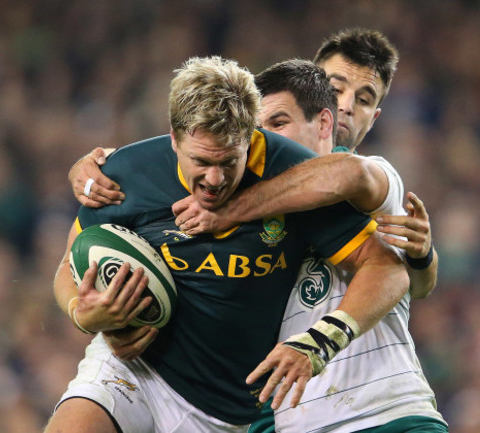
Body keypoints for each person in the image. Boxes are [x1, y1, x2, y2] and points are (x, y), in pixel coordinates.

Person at [46, 55, 409, 433]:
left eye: (229, 162)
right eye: (201, 161)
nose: (215, 179)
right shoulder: (128, 173)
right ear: (174, 137)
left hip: (225, 413)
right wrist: (81, 312)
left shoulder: (291, 177)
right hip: (133, 368)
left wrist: (321, 341)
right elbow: (69, 265)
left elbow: (386, 268)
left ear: (251, 136)